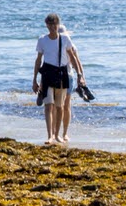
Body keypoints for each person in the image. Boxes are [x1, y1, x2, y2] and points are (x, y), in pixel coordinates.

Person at [32, 12, 86, 145]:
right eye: (49, 25)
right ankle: (50, 136)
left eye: (54, 25)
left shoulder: (65, 39)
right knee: (48, 106)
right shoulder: (42, 40)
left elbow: (73, 57)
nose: (52, 28)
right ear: (46, 25)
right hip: (47, 74)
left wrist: (79, 74)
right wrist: (34, 80)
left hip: (62, 75)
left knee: (60, 107)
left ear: (58, 25)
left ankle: (58, 135)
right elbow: (38, 60)